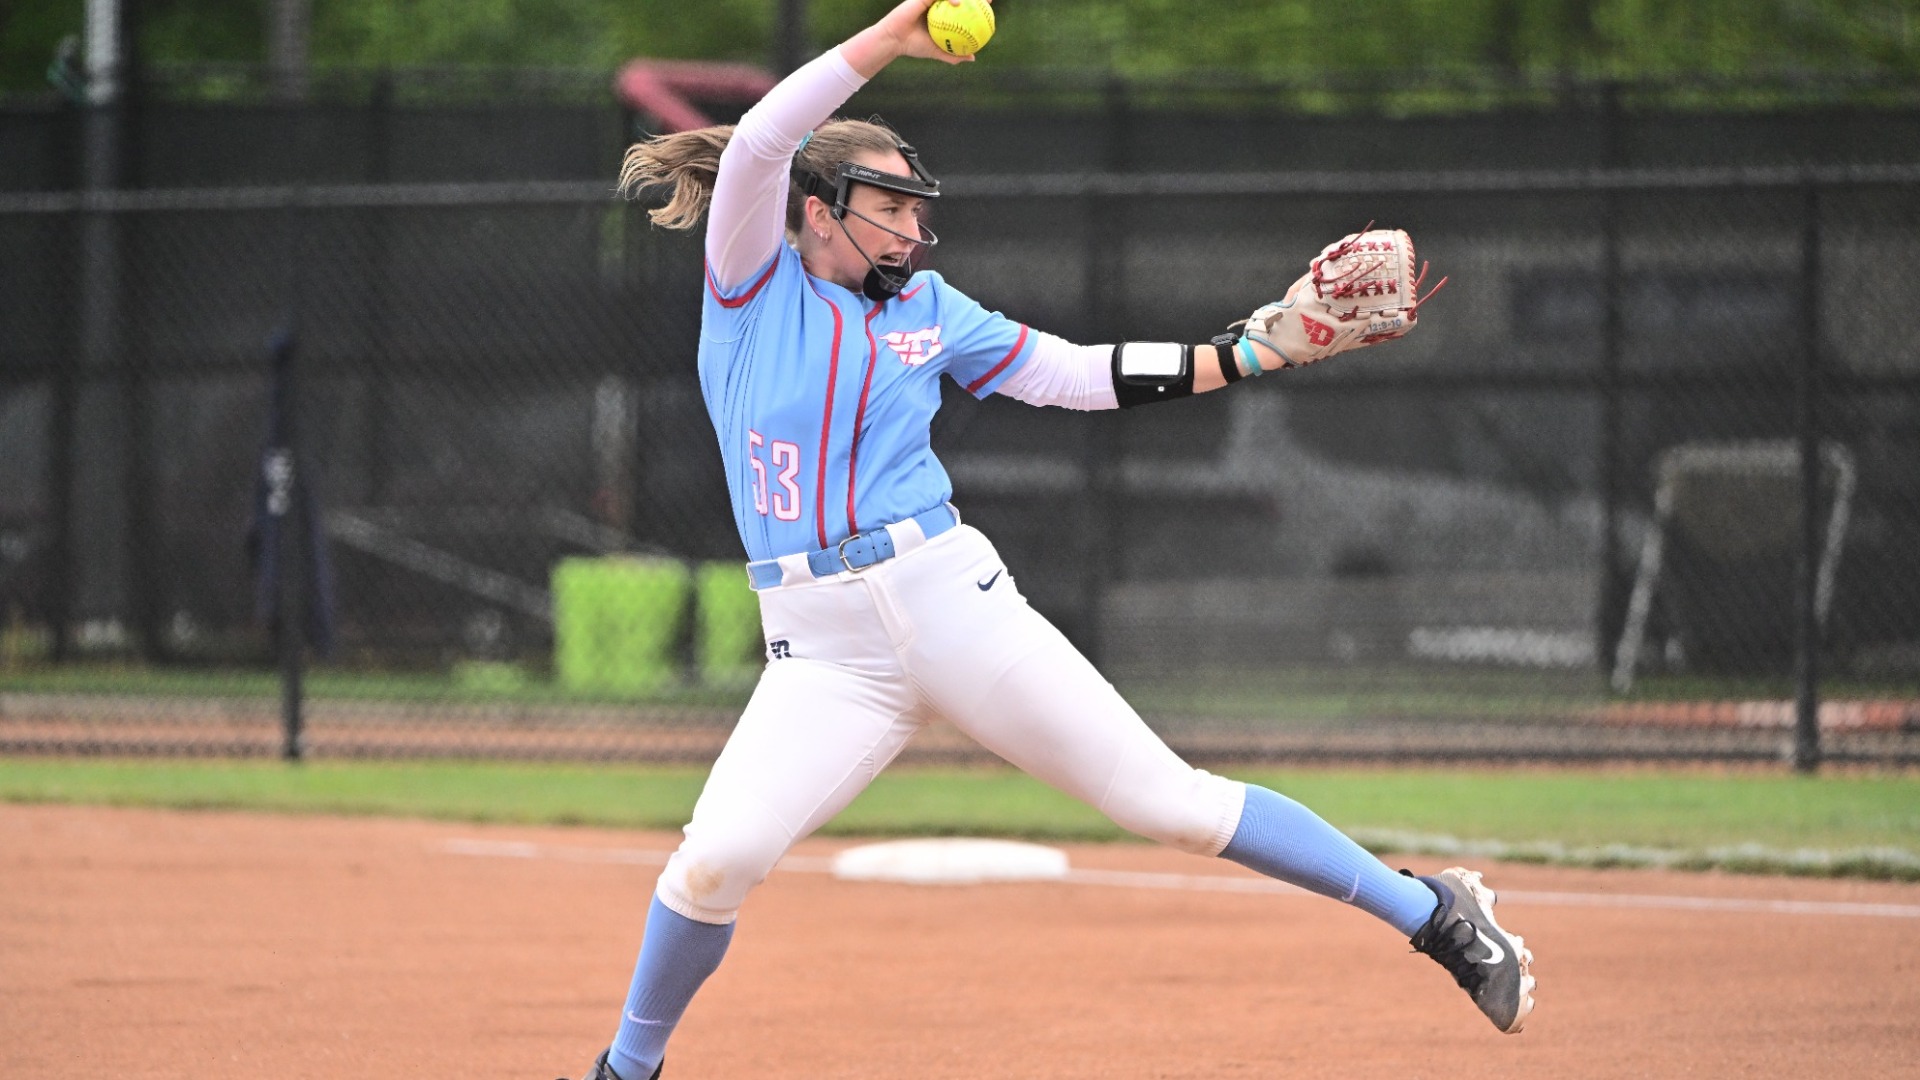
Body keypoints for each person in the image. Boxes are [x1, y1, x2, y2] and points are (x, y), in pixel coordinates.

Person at [566, 3, 1534, 1077]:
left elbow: (1075, 375)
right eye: (888, 205)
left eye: (914, 209)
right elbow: (758, 142)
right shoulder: (750, 285)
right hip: (822, 649)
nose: (911, 229)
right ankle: (626, 1070)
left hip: (949, 602)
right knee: (718, 860)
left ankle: (1433, 912)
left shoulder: (930, 307)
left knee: (1169, 804)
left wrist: (1249, 354)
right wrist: (888, 38)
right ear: (817, 210)